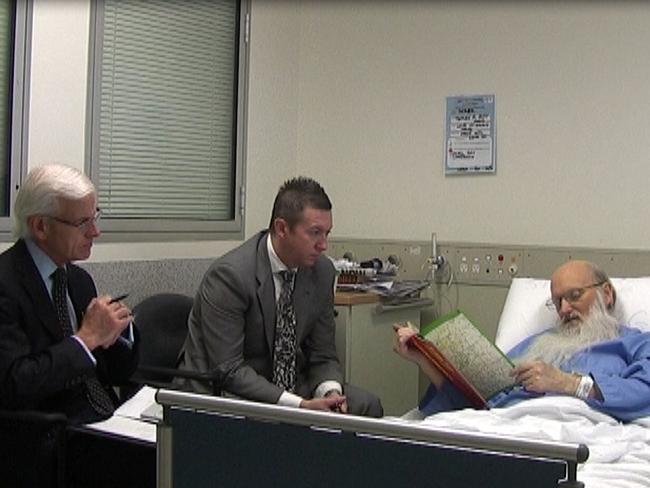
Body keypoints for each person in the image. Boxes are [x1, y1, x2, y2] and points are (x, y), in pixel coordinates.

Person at [178, 176, 383, 417]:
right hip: (228, 391)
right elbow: (228, 370)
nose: (323, 245)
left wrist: (330, 393)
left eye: (327, 233)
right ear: (282, 229)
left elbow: (323, 354)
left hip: (290, 385)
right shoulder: (230, 276)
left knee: (367, 404)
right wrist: (298, 405)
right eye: (315, 233)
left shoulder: (322, 272)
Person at [394, 260, 650, 422]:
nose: (564, 309)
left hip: (560, 435)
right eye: (558, 301)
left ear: (606, 293)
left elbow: (643, 392)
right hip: (496, 428)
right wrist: (423, 358)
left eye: (574, 296)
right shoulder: (537, 344)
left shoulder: (634, 344)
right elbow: (480, 401)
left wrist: (566, 383)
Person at [0, 164, 138, 425]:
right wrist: (86, 339)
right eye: (82, 223)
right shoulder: (7, 284)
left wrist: (119, 331)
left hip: (105, 416)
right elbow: (14, 385)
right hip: (48, 436)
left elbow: (115, 374)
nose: (94, 232)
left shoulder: (78, 280)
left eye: (94, 217)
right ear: (41, 226)